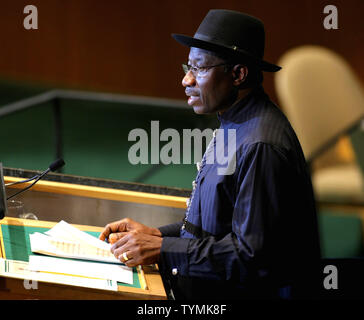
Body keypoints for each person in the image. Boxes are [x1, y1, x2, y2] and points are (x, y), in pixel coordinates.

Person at [99, 9, 321, 299]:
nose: (186, 80)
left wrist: (163, 250)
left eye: (200, 69)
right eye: (187, 67)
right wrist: (156, 235)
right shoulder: (236, 122)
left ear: (238, 74)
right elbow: (215, 226)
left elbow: (252, 257)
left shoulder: (260, 145)